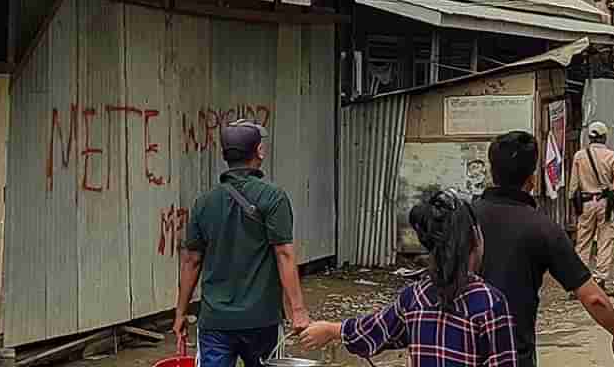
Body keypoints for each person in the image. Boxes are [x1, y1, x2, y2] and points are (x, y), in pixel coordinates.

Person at [299, 190, 517, 366]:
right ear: (475, 239)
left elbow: (375, 330)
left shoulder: (415, 297)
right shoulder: (490, 303)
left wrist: (330, 329)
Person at [475, 131, 614, 367]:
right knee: (604, 242)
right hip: (511, 353)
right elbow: (593, 299)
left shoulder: (462, 217)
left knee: (584, 241)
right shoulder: (542, 227)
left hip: (455, 350)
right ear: (532, 178)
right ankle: (602, 273)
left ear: (491, 171)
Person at [173, 120, 311, 367]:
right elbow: (284, 254)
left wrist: (180, 312)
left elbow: (191, 260)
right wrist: (298, 310)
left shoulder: (204, 202)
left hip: (215, 321)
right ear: (258, 151)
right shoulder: (273, 197)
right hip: (262, 320)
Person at [568, 121, 614, 292]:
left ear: (589, 138)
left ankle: (578, 283)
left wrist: (574, 204)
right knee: (605, 241)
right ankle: (600, 279)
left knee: (582, 242)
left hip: (586, 203)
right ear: (605, 137)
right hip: (606, 204)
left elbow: (573, 186)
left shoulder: (579, 156)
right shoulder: (613, 156)